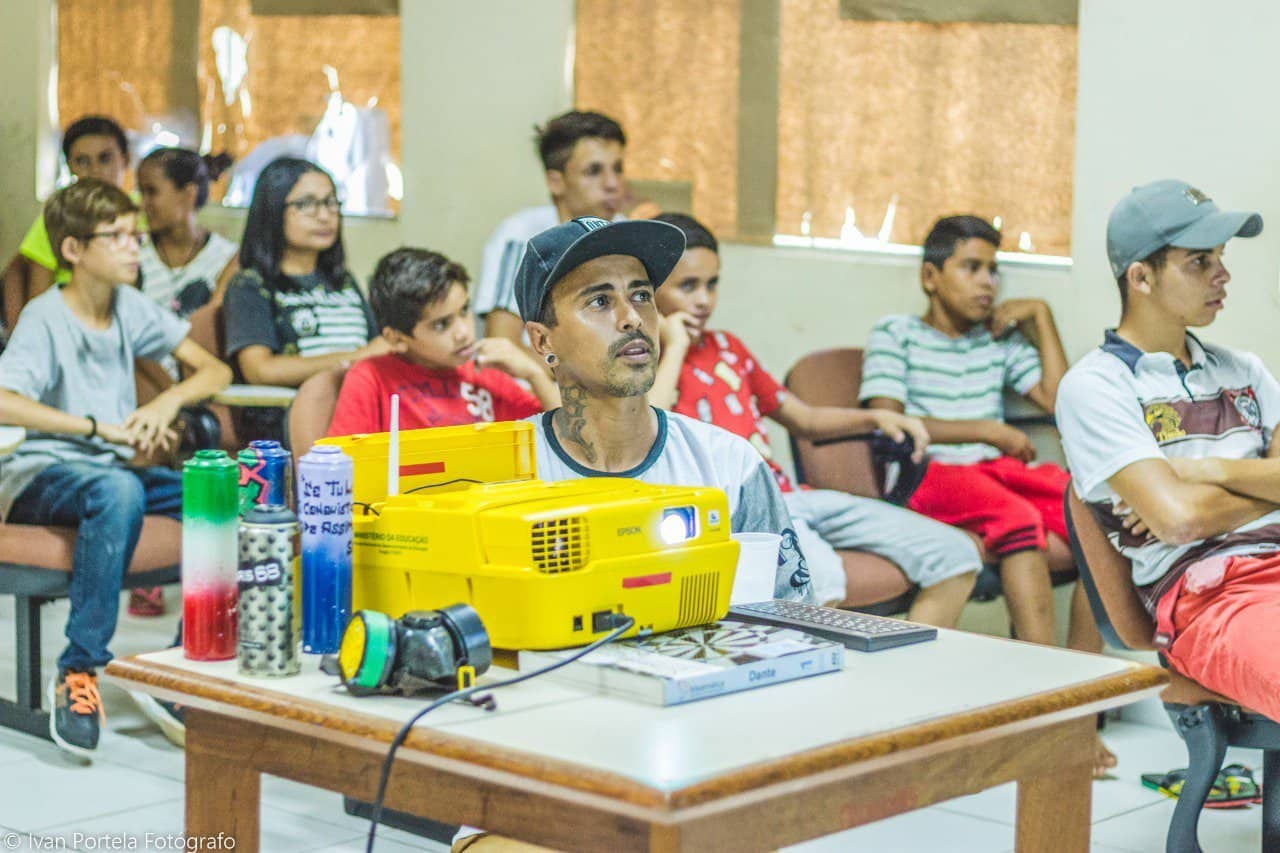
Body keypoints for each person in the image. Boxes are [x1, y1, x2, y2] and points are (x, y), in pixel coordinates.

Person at [451, 215, 815, 853]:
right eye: (599, 299)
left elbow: (793, 637)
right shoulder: (496, 477)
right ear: (542, 341)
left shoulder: (727, 468)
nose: (632, 317)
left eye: (641, 294)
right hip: (535, 781)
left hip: (698, 774)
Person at [862, 215, 1114, 776]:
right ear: (931, 276)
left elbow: (1058, 399)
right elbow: (888, 420)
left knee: (1094, 504)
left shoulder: (995, 343)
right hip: (927, 469)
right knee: (1017, 519)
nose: (987, 284)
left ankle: (1080, 703)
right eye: (971, 268)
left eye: (993, 271)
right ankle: (1041, 708)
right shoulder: (895, 333)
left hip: (992, 465)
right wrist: (984, 428)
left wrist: (1041, 318)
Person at [648, 213, 979, 622]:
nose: (704, 299)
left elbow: (803, 419)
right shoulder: (645, 360)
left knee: (957, 555)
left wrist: (874, 418)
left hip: (794, 497)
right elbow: (652, 428)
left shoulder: (728, 347)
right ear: (649, 290)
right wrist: (674, 343)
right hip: (744, 512)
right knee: (822, 582)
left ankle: (905, 680)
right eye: (687, 286)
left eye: (712, 284)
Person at [0, 179, 231, 756]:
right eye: (118, 236)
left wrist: (163, 403)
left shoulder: (129, 306)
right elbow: (4, 400)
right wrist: (96, 427)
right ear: (74, 250)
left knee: (224, 495)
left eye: (136, 234)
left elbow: (215, 371)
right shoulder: (44, 315)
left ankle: (181, 667)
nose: (135, 246)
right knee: (118, 488)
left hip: (107, 474)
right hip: (38, 476)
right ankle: (78, 674)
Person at [1058, 179, 1280, 722]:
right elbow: (1179, 521)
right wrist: (1261, 481)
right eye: (1199, 262)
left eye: (1220, 259)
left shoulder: (1243, 369)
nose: (1222, 275)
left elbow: (1185, 504)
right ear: (1141, 277)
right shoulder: (1097, 387)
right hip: (1213, 596)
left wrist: (1203, 469)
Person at [222, 157, 389, 439]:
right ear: (273, 211)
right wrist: (353, 359)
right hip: (292, 422)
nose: (324, 215)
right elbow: (260, 370)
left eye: (331, 202)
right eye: (306, 204)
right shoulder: (251, 285)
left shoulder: (343, 281)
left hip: (361, 409)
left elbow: (377, 346)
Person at [326, 247, 558, 436]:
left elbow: (569, 437)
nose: (463, 332)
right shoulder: (370, 379)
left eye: (464, 310)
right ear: (396, 338)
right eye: (441, 324)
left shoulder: (486, 373)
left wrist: (533, 374)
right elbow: (342, 469)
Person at [473, 111, 637, 352]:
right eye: (594, 171)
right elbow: (502, 344)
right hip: (534, 384)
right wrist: (580, 377)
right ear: (555, 182)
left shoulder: (631, 236)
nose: (612, 183)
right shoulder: (521, 235)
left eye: (618, 168)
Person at [3, 116, 132, 332]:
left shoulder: (139, 215)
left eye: (105, 158)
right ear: (70, 167)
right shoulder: (58, 218)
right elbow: (39, 300)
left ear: (125, 160)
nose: (95, 171)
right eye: (82, 161)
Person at [137, 147, 238, 320]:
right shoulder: (132, 253)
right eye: (141, 193)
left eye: (152, 192)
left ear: (188, 194)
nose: (143, 204)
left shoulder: (225, 259)